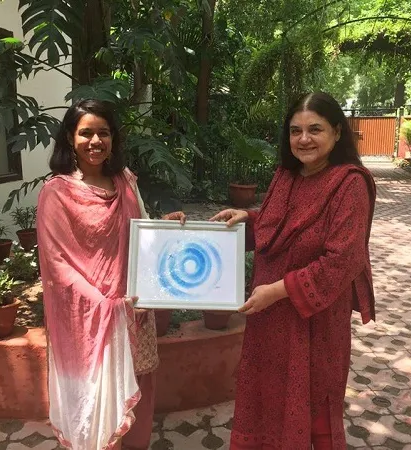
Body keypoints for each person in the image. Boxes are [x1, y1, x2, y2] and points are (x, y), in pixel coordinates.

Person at [211, 92, 376, 449]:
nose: (304, 139)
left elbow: (342, 261)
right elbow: (277, 231)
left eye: (315, 129)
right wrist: (248, 221)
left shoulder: (350, 184)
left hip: (314, 322)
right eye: (295, 130)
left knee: (313, 403)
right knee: (265, 397)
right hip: (268, 318)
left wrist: (277, 291)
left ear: (336, 132)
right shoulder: (286, 176)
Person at [37, 98, 185, 450]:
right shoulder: (57, 193)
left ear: (114, 139)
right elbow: (57, 266)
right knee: (96, 405)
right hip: (90, 320)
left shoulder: (125, 181)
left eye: (103, 133)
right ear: (70, 139)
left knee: (140, 394)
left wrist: (164, 229)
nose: (95, 141)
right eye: (85, 133)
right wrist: (107, 305)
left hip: (134, 309)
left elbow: (140, 232)